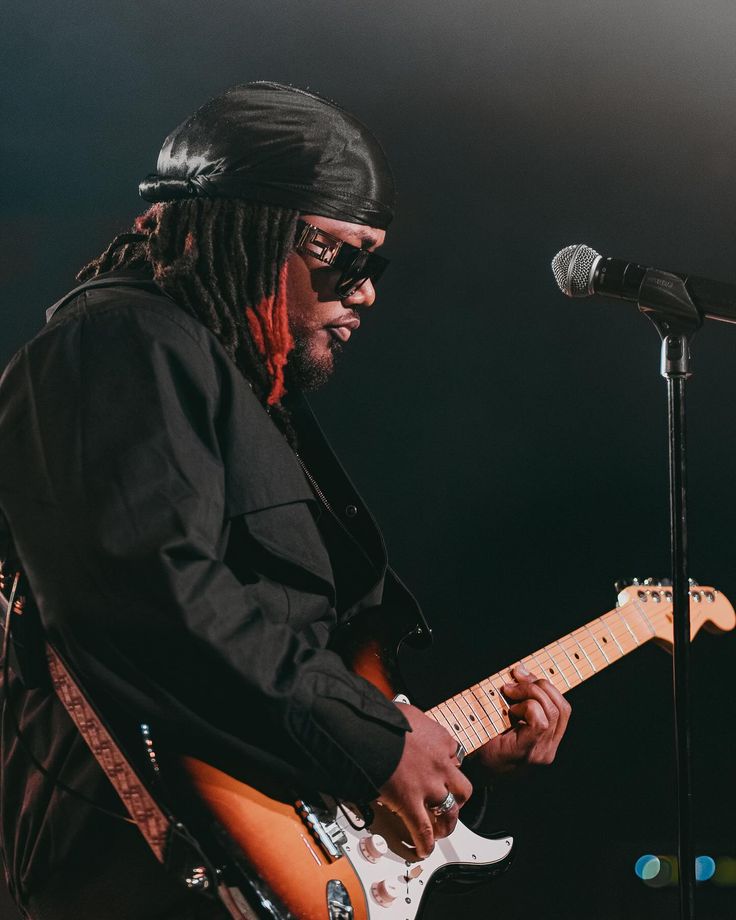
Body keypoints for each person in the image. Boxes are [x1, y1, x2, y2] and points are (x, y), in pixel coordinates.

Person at [0, 82, 571, 920]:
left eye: (375, 265)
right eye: (345, 256)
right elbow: (154, 602)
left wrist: (448, 754)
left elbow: (291, 646)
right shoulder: (114, 345)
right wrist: (375, 743)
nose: (366, 291)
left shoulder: (234, 390)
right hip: (138, 873)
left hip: (250, 864)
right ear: (248, 230)